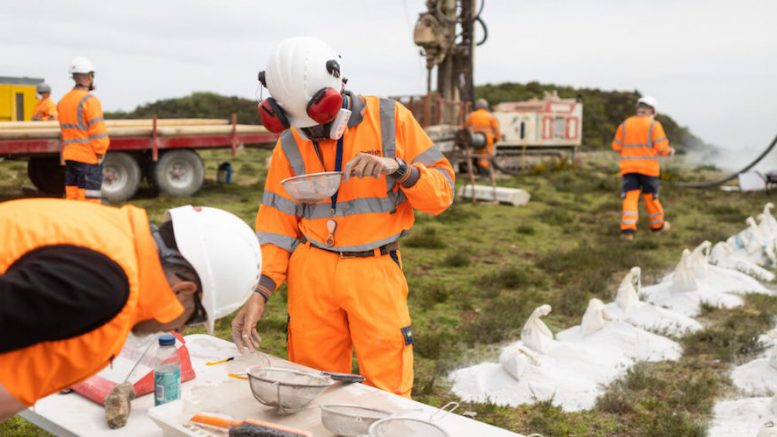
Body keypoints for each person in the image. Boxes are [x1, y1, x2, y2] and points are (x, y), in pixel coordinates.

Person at [231, 37, 455, 398]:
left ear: (338, 89)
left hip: (375, 269)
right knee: (309, 386)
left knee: (387, 393)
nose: (313, 133)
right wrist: (260, 291)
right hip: (311, 272)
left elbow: (442, 194)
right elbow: (276, 225)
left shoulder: (391, 119)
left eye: (320, 120)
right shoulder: (289, 142)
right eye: (300, 124)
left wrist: (399, 169)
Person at [0, 199, 262, 422]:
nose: (179, 329)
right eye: (193, 318)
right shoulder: (103, 286)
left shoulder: (113, 238)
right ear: (183, 290)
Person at [611, 95, 675, 240]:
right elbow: (661, 148)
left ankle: (627, 231)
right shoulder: (654, 125)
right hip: (648, 170)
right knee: (651, 198)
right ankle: (657, 226)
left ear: (638, 108)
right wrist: (670, 151)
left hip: (628, 169)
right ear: (652, 110)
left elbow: (616, 146)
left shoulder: (625, 124)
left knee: (630, 198)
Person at [57, 57, 109, 203]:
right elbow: (98, 132)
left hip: (70, 156)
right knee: (90, 201)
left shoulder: (63, 101)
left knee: (73, 198)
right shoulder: (90, 101)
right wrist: (100, 152)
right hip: (88, 158)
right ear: (88, 76)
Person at [465, 98, 501, 173]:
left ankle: (474, 171)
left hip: (474, 141)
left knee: (474, 156)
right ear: (486, 106)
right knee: (484, 159)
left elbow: (465, 130)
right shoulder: (491, 117)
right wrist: (495, 140)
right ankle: (484, 173)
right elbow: (497, 132)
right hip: (487, 142)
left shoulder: (470, 116)